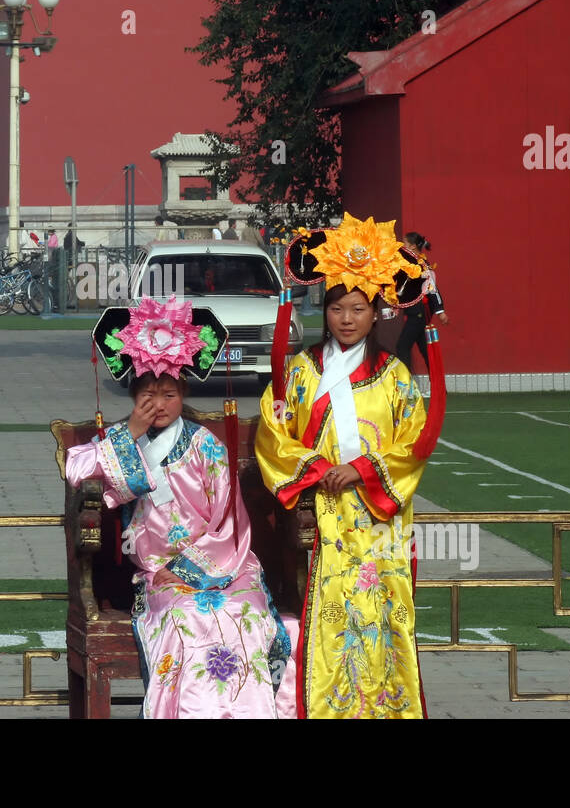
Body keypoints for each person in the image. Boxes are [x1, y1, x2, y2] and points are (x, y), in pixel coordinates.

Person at [67, 295, 291, 718]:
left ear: (183, 392)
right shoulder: (122, 438)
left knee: (243, 613)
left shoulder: (205, 445)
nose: (159, 404)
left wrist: (192, 567)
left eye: (168, 394)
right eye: (148, 395)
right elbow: (76, 469)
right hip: (158, 572)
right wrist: (130, 431)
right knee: (186, 617)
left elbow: (229, 521)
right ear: (133, 397)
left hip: (225, 564)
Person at [255, 212, 431, 719]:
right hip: (323, 513)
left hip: (380, 520)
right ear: (324, 310)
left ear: (376, 314)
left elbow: (415, 441)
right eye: (337, 308)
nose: (347, 319)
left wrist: (365, 470)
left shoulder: (395, 377)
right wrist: (314, 469)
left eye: (357, 308)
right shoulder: (302, 372)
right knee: (332, 618)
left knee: (384, 617)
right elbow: (273, 429)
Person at [394, 232, 449, 375]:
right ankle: (438, 386)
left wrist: (440, 310)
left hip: (418, 313)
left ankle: (407, 386)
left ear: (412, 246)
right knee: (425, 351)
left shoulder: (421, 265)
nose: (402, 246)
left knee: (402, 347)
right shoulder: (408, 264)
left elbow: (432, 289)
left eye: (404, 244)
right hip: (415, 313)